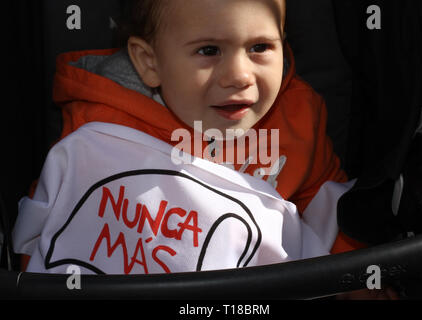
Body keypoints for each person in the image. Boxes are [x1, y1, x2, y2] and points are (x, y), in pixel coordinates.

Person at [12, 0, 395, 299]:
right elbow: (60, 219)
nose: (240, 76)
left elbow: (324, 202)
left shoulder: (296, 115)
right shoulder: (103, 127)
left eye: (260, 47)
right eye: (209, 50)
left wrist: (353, 277)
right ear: (150, 62)